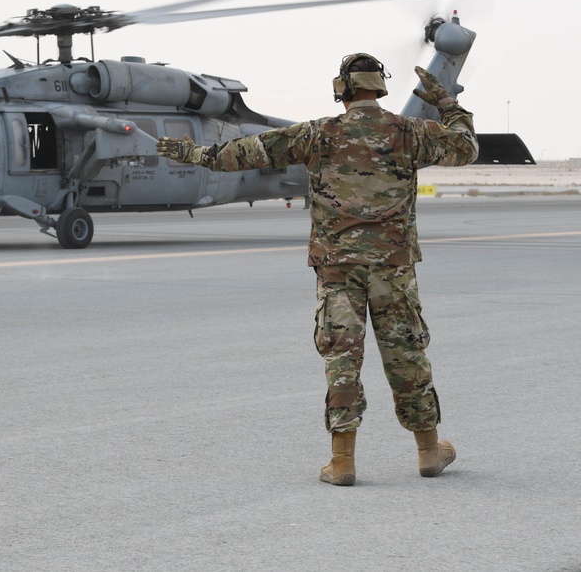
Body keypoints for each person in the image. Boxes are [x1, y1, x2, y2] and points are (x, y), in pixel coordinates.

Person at [157, 54, 476, 486]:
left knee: (342, 359)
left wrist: (193, 153)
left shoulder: (317, 134)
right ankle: (427, 451)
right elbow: (466, 147)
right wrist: (447, 103)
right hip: (393, 269)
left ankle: (343, 462)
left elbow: (248, 152)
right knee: (407, 356)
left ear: (342, 89)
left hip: (337, 270)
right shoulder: (409, 132)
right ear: (379, 88)